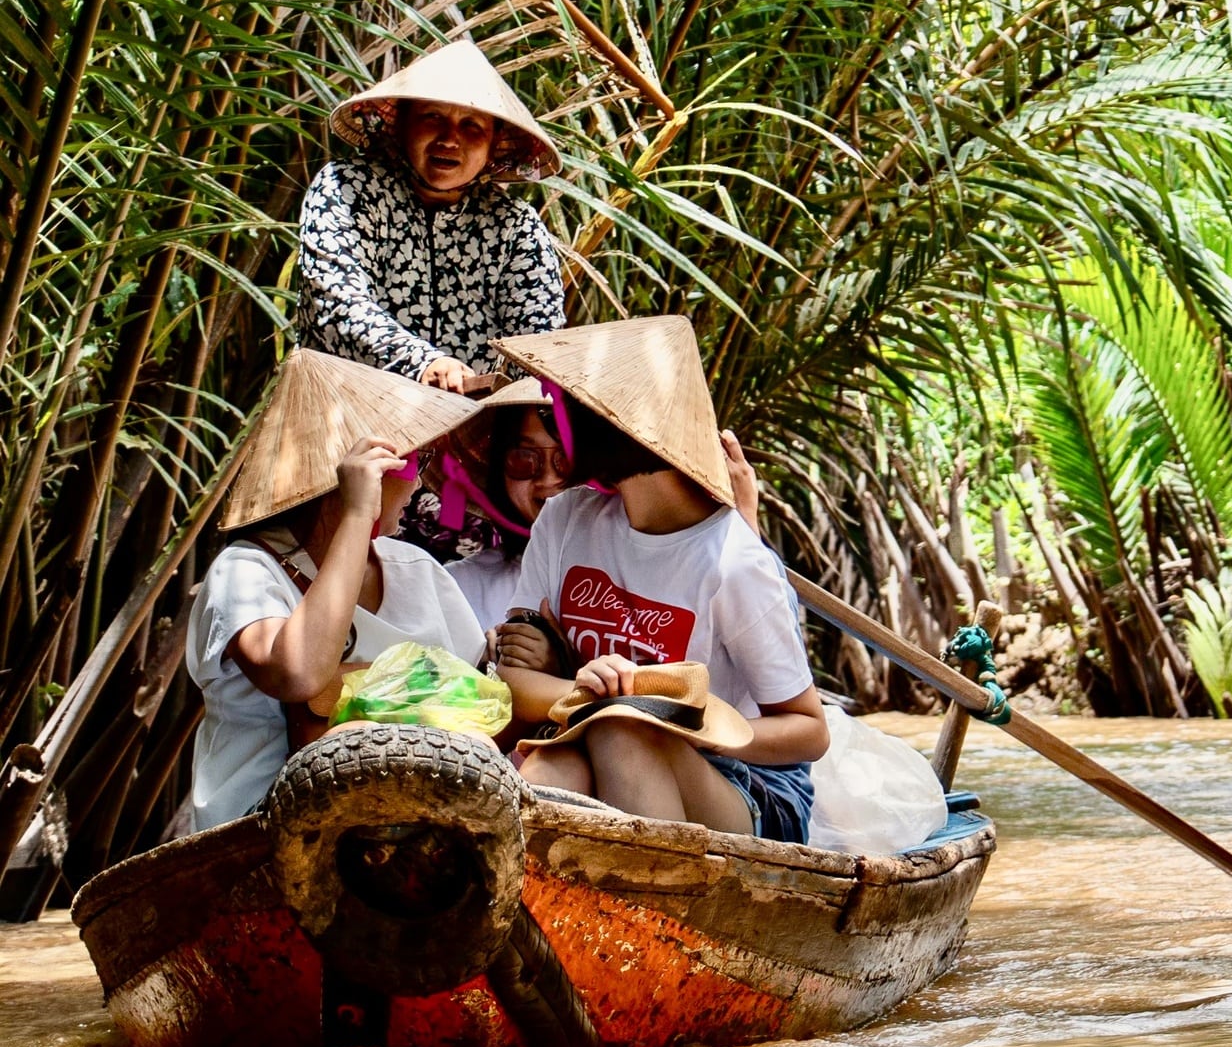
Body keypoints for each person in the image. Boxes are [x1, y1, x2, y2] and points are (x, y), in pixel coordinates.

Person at [491, 317, 828, 842]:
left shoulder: (732, 562)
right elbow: (514, 679)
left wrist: (678, 720)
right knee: (557, 765)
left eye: (566, 410)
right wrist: (592, 691)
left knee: (621, 730)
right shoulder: (564, 520)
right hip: (590, 736)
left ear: (617, 426)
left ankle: (661, 910)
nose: (557, 426)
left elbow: (808, 731)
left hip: (745, 784)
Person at [184, 352, 487, 830]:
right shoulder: (246, 569)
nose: (421, 483)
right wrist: (354, 515)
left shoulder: (415, 568)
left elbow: (475, 699)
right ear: (352, 472)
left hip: (423, 822)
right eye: (410, 463)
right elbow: (299, 675)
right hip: (264, 830)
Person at [297, 38, 564, 392]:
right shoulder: (347, 187)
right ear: (402, 123)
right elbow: (334, 303)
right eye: (433, 117)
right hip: (348, 419)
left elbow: (538, 345)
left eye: (472, 125)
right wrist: (424, 363)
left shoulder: (514, 226)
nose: (450, 139)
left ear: (493, 143)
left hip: (469, 431)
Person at [441, 378, 571, 629]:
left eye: (566, 459)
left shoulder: (642, 579)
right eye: (524, 458)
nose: (548, 479)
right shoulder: (458, 588)